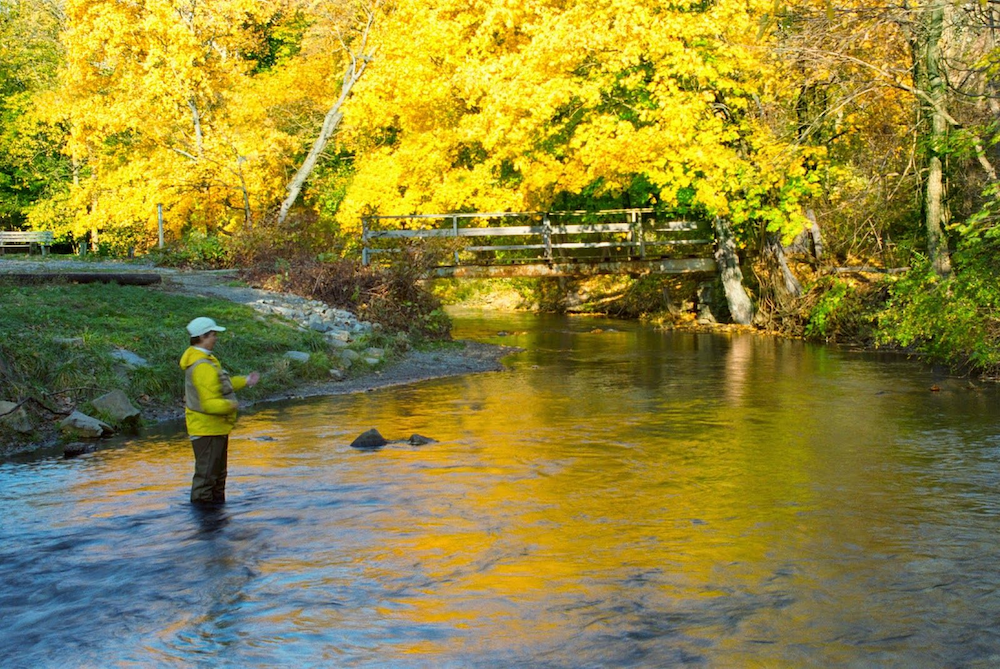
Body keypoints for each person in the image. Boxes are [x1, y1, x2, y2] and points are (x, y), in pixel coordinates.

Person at [180, 316, 260, 505]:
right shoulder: (202, 366)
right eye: (213, 334)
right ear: (203, 337)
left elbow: (219, 386)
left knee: (217, 477)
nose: (216, 338)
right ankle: (206, 523)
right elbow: (209, 403)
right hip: (206, 429)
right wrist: (232, 405)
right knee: (207, 478)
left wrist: (245, 381)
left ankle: (215, 521)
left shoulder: (206, 360)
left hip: (215, 429)